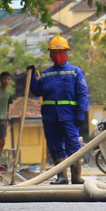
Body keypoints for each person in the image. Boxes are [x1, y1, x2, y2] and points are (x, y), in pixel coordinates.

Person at [29, 35, 90, 184]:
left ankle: (76, 176)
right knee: (55, 146)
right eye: (54, 53)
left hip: (69, 117)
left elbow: (82, 94)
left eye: (61, 52)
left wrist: (81, 113)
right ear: (50, 55)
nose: (57, 56)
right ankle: (61, 177)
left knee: (73, 145)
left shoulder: (75, 72)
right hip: (50, 117)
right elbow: (37, 91)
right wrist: (31, 77)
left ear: (66, 53)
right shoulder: (46, 73)